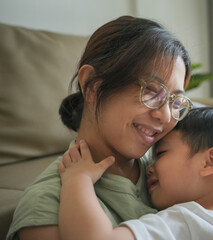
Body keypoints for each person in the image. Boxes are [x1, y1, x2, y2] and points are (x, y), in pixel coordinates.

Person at [6, 15, 192, 240]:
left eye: (175, 101)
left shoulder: (166, 168)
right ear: (92, 85)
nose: (164, 115)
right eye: (152, 90)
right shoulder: (46, 205)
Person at [58, 106, 213, 240]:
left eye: (161, 153)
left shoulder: (181, 223)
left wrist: (78, 180)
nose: (149, 166)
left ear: (210, 161)